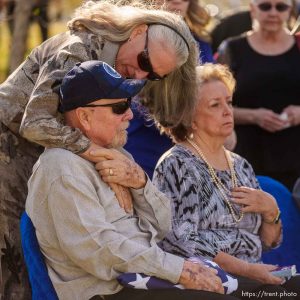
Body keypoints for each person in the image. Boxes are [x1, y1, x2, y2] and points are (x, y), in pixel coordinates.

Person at [0, 0, 199, 298]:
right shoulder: (79, 48)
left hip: (50, 148)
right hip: (9, 146)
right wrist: (98, 154)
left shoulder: (132, 58)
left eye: (154, 76)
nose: (141, 77)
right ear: (136, 32)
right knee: (15, 257)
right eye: (145, 63)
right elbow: (35, 123)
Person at [25, 60, 239, 300]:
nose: (129, 114)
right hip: (110, 291)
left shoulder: (118, 154)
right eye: (119, 106)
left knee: (277, 290)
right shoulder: (61, 167)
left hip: (147, 279)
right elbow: (100, 249)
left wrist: (140, 184)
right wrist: (177, 270)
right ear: (84, 116)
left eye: (129, 103)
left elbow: (161, 227)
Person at [153, 64, 300, 299]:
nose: (227, 111)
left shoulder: (240, 165)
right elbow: (180, 241)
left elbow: (268, 243)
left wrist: (272, 212)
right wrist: (248, 270)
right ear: (189, 116)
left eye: (229, 102)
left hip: (253, 279)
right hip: (209, 283)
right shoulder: (177, 164)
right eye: (215, 105)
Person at [124, 0, 214, 178]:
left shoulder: (200, 42)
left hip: (190, 159)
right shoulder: (131, 40)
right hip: (139, 156)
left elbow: (213, 93)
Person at [217, 0, 300, 190]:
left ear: (290, 11)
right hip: (248, 158)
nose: (273, 12)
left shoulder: (299, 46)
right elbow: (213, 104)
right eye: (265, 6)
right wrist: (254, 116)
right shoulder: (232, 49)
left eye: (281, 7)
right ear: (252, 9)